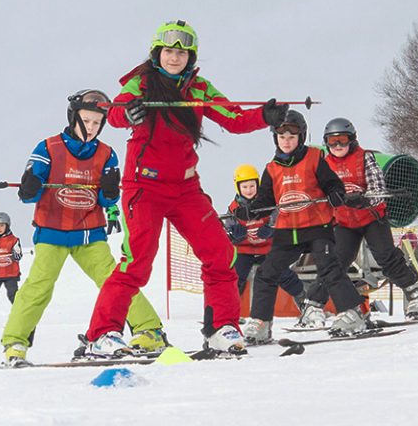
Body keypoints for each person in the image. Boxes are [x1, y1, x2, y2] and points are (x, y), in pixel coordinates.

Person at [83, 20, 288, 357]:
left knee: (221, 253)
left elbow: (233, 119)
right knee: (137, 263)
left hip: (185, 188)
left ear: (190, 56)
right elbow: (116, 114)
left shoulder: (199, 88)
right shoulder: (142, 82)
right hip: (145, 186)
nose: (174, 57)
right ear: (157, 53)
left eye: (182, 52)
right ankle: (101, 335)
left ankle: (222, 327)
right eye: (168, 51)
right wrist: (129, 114)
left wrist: (265, 116)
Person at [0, 89, 165, 367]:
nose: (90, 128)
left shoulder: (106, 154)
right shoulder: (49, 147)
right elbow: (29, 194)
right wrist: (30, 186)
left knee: (116, 281)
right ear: (73, 117)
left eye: (96, 123)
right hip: (52, 233)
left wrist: (110, 191)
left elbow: (107, 199)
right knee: (39, 287)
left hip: (90, 234)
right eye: (86, 121)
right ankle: (15, 343)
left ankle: (149, 331)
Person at [235, 110, 368, 344]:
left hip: (317, 226)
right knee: (267, 272)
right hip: (287, 230)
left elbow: (332, 185)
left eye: (292, 136)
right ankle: (261, 322)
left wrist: (336, 194)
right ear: (275, 138)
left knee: (328, 267)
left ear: (301, 137)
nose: (286, 141)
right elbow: (263, 202)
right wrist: (248, 210)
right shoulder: (272, 168)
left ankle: (352, 312)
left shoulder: (315, 158)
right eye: (282, 136)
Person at [297, 117, 418, 329]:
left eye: (342, 141)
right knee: (335, 263)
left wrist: (364, 198)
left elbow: (378, 188)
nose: (337, 146)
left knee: (386, 256)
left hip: (372, 217)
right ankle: (313, 306)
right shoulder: (324, 165)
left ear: (352, 140)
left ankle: (417, 296)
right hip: (345, 222)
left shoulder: (365, 158)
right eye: (332, 142)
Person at [223, 164, 306, 305]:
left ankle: (303, 299)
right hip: (245, 251)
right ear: (238, 187)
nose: (248, 190)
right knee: (236, 276)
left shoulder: (267, 203)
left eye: (252, 186)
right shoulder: (234, 208)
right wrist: (234, 233)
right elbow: (228, 229)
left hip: (266, 249)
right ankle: (230, 310)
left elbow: (280, 219)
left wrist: (271, 230)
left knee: (281, 272)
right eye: (244, 187)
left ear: (258, 185)